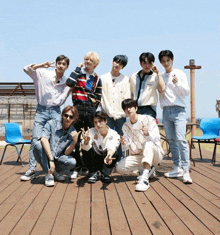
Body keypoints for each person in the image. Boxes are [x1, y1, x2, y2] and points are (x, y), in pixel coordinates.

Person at [21, 55, 71, 181]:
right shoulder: (43, 73)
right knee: (35, 139)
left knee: (53, 140)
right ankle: (32, 169)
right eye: (59, 63)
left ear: (67, 67)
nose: (60, 65)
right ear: (56, 64)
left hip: (55, 111)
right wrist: (41, 65)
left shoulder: (66, 81)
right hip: (41, 110)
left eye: (63, 64)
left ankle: (53, 169)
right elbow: (26, 69)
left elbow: (66, 94)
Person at [158, 50, 192, 184]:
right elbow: (160, 90)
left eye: (168, 60)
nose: (166, 63)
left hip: (179, 110)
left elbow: (186, 92)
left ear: (172, 60)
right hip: (165, 111)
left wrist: (177, 83)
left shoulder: (180, 73)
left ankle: (185, 170)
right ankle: (176, 167)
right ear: (161, 62)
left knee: (181, 140)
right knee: (171, 140)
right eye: (163, 61)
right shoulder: (160, 75)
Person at [66, 52, 102, 178]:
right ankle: (76, 167)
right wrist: (77, 68)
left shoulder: (97, 78)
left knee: (89, 139)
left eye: (90, 60)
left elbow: (98, 97)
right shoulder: (78, 74)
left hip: (90, 110)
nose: (87, 62)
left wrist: (92, 106)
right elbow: (69, 83)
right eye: (86, 59)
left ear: (95, 63)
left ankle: (87, 165)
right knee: (75, 138)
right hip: (78, 108)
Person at [116, 99, 164, 192]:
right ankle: (147, 169)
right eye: (126, 108)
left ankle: (144, 179)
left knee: (148, 144)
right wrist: (124, 143)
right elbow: (127, 147)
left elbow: (157, 139)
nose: (128, 110)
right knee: (119, 168)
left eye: (130, 107)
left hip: (155, 154)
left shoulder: (148, 119)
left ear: (136, 108)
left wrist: (147, 133)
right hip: (139, 156)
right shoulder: (125, 126)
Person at [33, 106, 79, 187]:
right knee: (37, 144)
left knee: (72, 162)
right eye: (66, 115)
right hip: (46, 155)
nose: (67, 118)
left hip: (58, 157)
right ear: (62, 115)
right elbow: (43, 139)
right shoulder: (51, 124)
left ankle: (56, 172)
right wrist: (51, 159)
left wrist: (74, 141)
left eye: (71, 117)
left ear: (74, 119)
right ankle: (48, 173)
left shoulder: (73, 132)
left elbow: (66, 153)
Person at [100, 55, 130, 160]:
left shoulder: (125, 79)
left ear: (123, 66)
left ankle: (120, 159)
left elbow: (126, 97)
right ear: (112, 62)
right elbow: (102, 97)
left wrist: (121, 112)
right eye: (116, 62)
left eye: (120, 64)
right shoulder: (103, 78)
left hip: (121, 115)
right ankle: (106, 158)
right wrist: (109, 111)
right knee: (106, 136)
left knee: (121, 137)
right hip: (106, 114)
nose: (117, 65)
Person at [81, 111, 120, 183]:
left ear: (106, 121)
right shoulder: (90, 132)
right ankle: (93, 172)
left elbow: (113, 146)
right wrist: (86, 141)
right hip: (95, 159)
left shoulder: (114, 134)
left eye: (100, 121)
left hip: (106, 158)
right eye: (95, 122)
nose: (98, 124)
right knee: (85, 148)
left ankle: (106, 173)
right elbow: (85, 149)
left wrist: (109, 155)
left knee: (115, 153)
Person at [130, 52, 165, 119]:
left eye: (149, 63)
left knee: (148, 129)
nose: (147, 65)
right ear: (140, 63)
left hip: (149, 109)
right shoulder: (134, 76)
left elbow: (162, 89)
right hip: (135, 108)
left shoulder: (155, 76)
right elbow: (132, 93)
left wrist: (158, 73)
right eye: (145, 63)